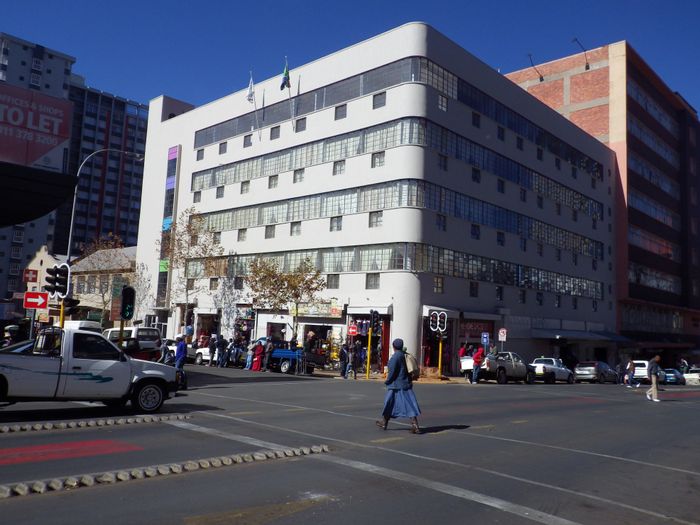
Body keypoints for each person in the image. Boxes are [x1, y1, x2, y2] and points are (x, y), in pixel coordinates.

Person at [376, 338, 421, 434]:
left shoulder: (395, 357)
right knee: (391, 404)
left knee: (400, 404)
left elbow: (392, 372)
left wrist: (387, 381)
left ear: (393, 347)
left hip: (396, 385)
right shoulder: (404, 355)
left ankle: (415, 426)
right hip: (405, 383)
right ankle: (384, 422)